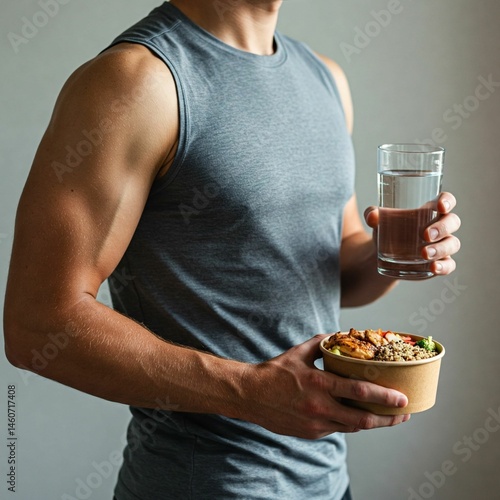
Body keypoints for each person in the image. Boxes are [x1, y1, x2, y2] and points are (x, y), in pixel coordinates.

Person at [4, 1, 461, 499]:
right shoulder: (135, 80)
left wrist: (389, 250)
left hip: (328, 485)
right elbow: (38, 323)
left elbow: (337, 272)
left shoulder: (326, 78)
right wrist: (248, 392)